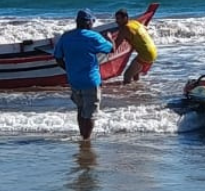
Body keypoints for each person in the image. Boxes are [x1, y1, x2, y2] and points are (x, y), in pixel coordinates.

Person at [53, 9, 114, 140]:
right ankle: (86, 140)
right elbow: (111, 49)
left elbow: (58, 57)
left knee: (80, 110)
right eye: (92, 21)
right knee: (90, 113)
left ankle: (82, 135)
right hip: (91, 80)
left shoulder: (66, 37)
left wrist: (69, 69)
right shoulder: (93, 37)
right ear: (88, 23)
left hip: (74, 80)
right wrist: (109, 38)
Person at [109, 8, 157, 84]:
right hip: (153, 51)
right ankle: (137, 90)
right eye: (116, 19)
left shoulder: (125, 28)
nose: (116, 21)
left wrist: (109, 37)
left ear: (125, 18)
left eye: (118, 19)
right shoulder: (135, 22)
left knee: (127, 75)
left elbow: (115, 46)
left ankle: (128, 93)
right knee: (135, 74)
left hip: (146, 54)